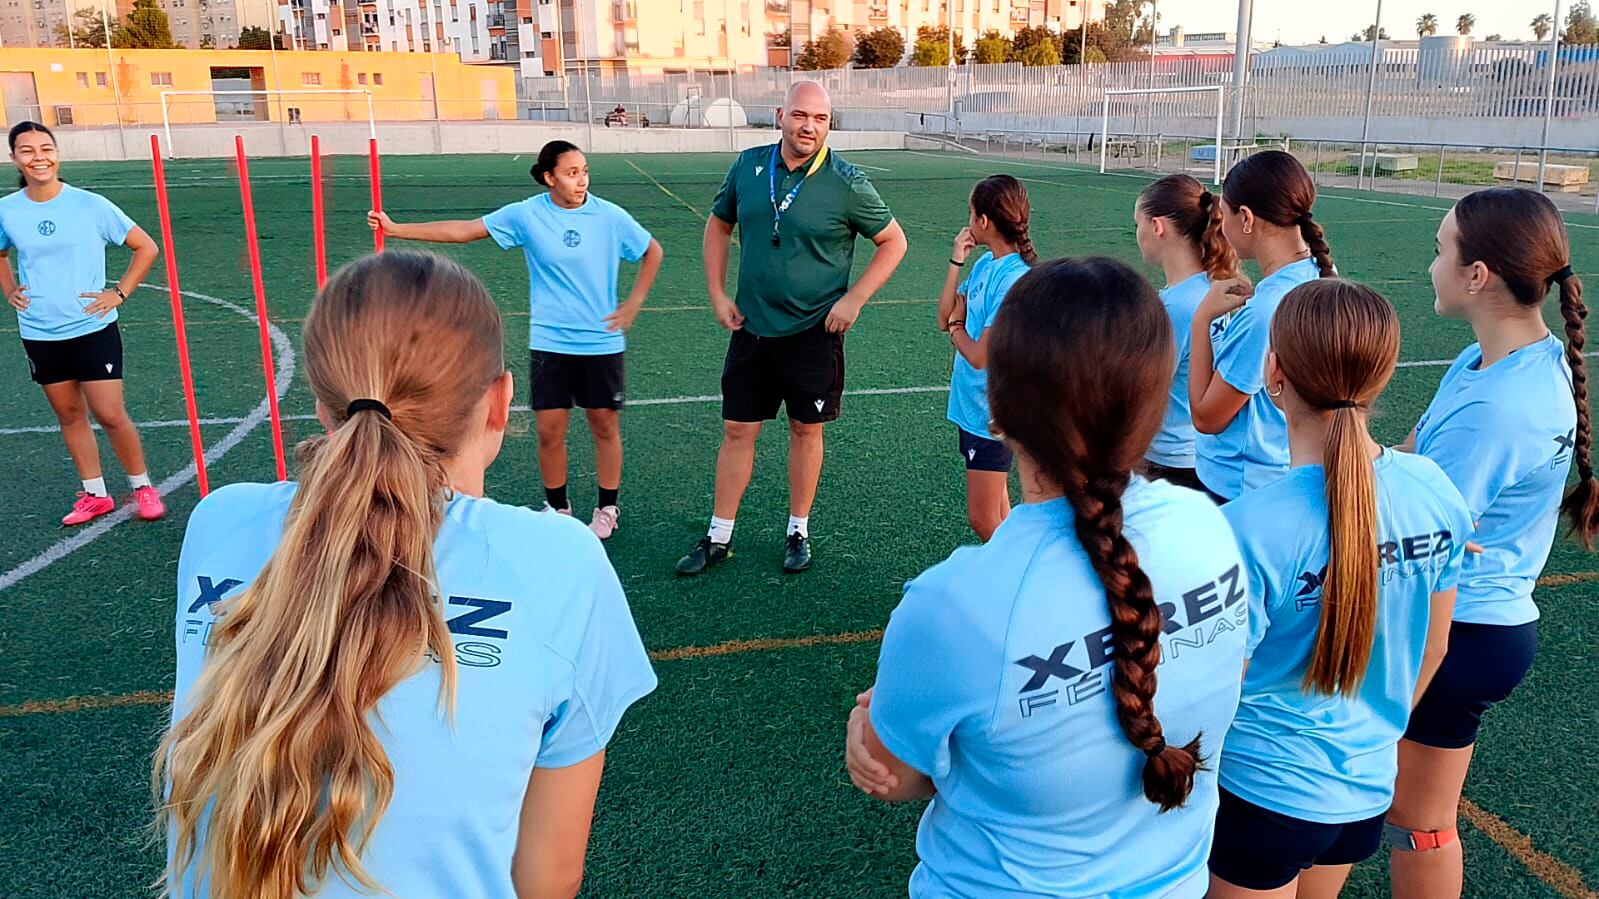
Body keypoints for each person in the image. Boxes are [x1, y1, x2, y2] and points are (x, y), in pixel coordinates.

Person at [156, 251, 656, 899]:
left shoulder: (219, 523)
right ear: (501, 401)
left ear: (322, 405)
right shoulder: (557, 562)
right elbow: (547, 878)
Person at [846, 258, 1248, 898]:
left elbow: (898, 776)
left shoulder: (954, 605)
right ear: (1152, 405)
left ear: (998, 414)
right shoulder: (1212, 530)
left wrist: (863, 734)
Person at [1209, 279, 1469, 898]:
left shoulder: (1248, 526)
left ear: (1273, 374)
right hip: (1364, 792)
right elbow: (1432, 651)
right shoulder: (1433, 489)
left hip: (1261, 795)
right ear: (1380, 378)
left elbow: (1215, 685)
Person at [1386, 188, 1596, 899]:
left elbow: (1413, 525)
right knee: (1409, 811)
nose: (1430, 264)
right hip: (1477, 622)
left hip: (1459, 629)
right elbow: (1410, 461)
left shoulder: (1499, 406)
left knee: (1415, 821)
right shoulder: (1495, 364)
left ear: (1477, 274)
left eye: (1440, 249)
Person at [369, 140, 663, 539]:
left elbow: (652, 250)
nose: (582, 180)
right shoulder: (527, 215)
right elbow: (464, 231)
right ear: (549, 177)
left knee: (604, 426)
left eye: (585, 171)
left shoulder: (609, 217)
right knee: (549, 431)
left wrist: (634, 302)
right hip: (550, 342)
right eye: (572, 173)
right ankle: (558, 508)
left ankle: (607, 508)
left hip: (600, 343)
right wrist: (396, 228)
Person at [677, 80, 908, 576]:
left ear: (830, 124)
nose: (809, 127)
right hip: (753, 328)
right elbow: (718, 224)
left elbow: (893, 241)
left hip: (813, 333)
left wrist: (855, 298)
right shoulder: (748, 165)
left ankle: (797, 529)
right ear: (781, 114)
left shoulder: (847, 181)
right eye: (801, 115)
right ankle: (719, 536)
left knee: (806, 429)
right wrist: (718, 293)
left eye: (821, 119)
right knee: (737, 429)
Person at [0, 120, 164, 526]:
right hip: (39, 331)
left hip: (92, 328)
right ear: (14, 158)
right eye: (27, 150)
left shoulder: (90, 204)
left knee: (110, 414)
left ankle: (142, 486)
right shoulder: (7, 210)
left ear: (57, 152)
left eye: (46, 148)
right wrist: (10, 290)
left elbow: (146, 246)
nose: (39, 157)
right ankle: (95, 494)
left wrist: (119, 293)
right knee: (70, 415)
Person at [1188, 150, 1335, 503]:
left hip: (1239, 485)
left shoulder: (1267, 310)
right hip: (1289, 470)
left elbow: (1208, 418)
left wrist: (1201, 320)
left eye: (1224, 216)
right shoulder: (1322, 275)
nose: (1221, 227)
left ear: (1247, 219)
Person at [937, 174, 1035, 541]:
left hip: (991, 413)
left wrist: (958, 329)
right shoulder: (983, 267)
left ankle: (1014, 581)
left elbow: (980, 356)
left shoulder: (1014, 279)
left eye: (970, 213)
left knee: (983, 520)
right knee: (999, 512)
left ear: (983, 221)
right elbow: (943, 315)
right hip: (971, 407)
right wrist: (955, 261)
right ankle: (1015, 578)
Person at [1134, 173, 1240, 493]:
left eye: (1138, 223)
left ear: (1158, 227)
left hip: (1171, 464)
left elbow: (1140, 394)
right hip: (1205, 455)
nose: (1137, 233)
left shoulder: (1175, 308)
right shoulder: (1216, 288)